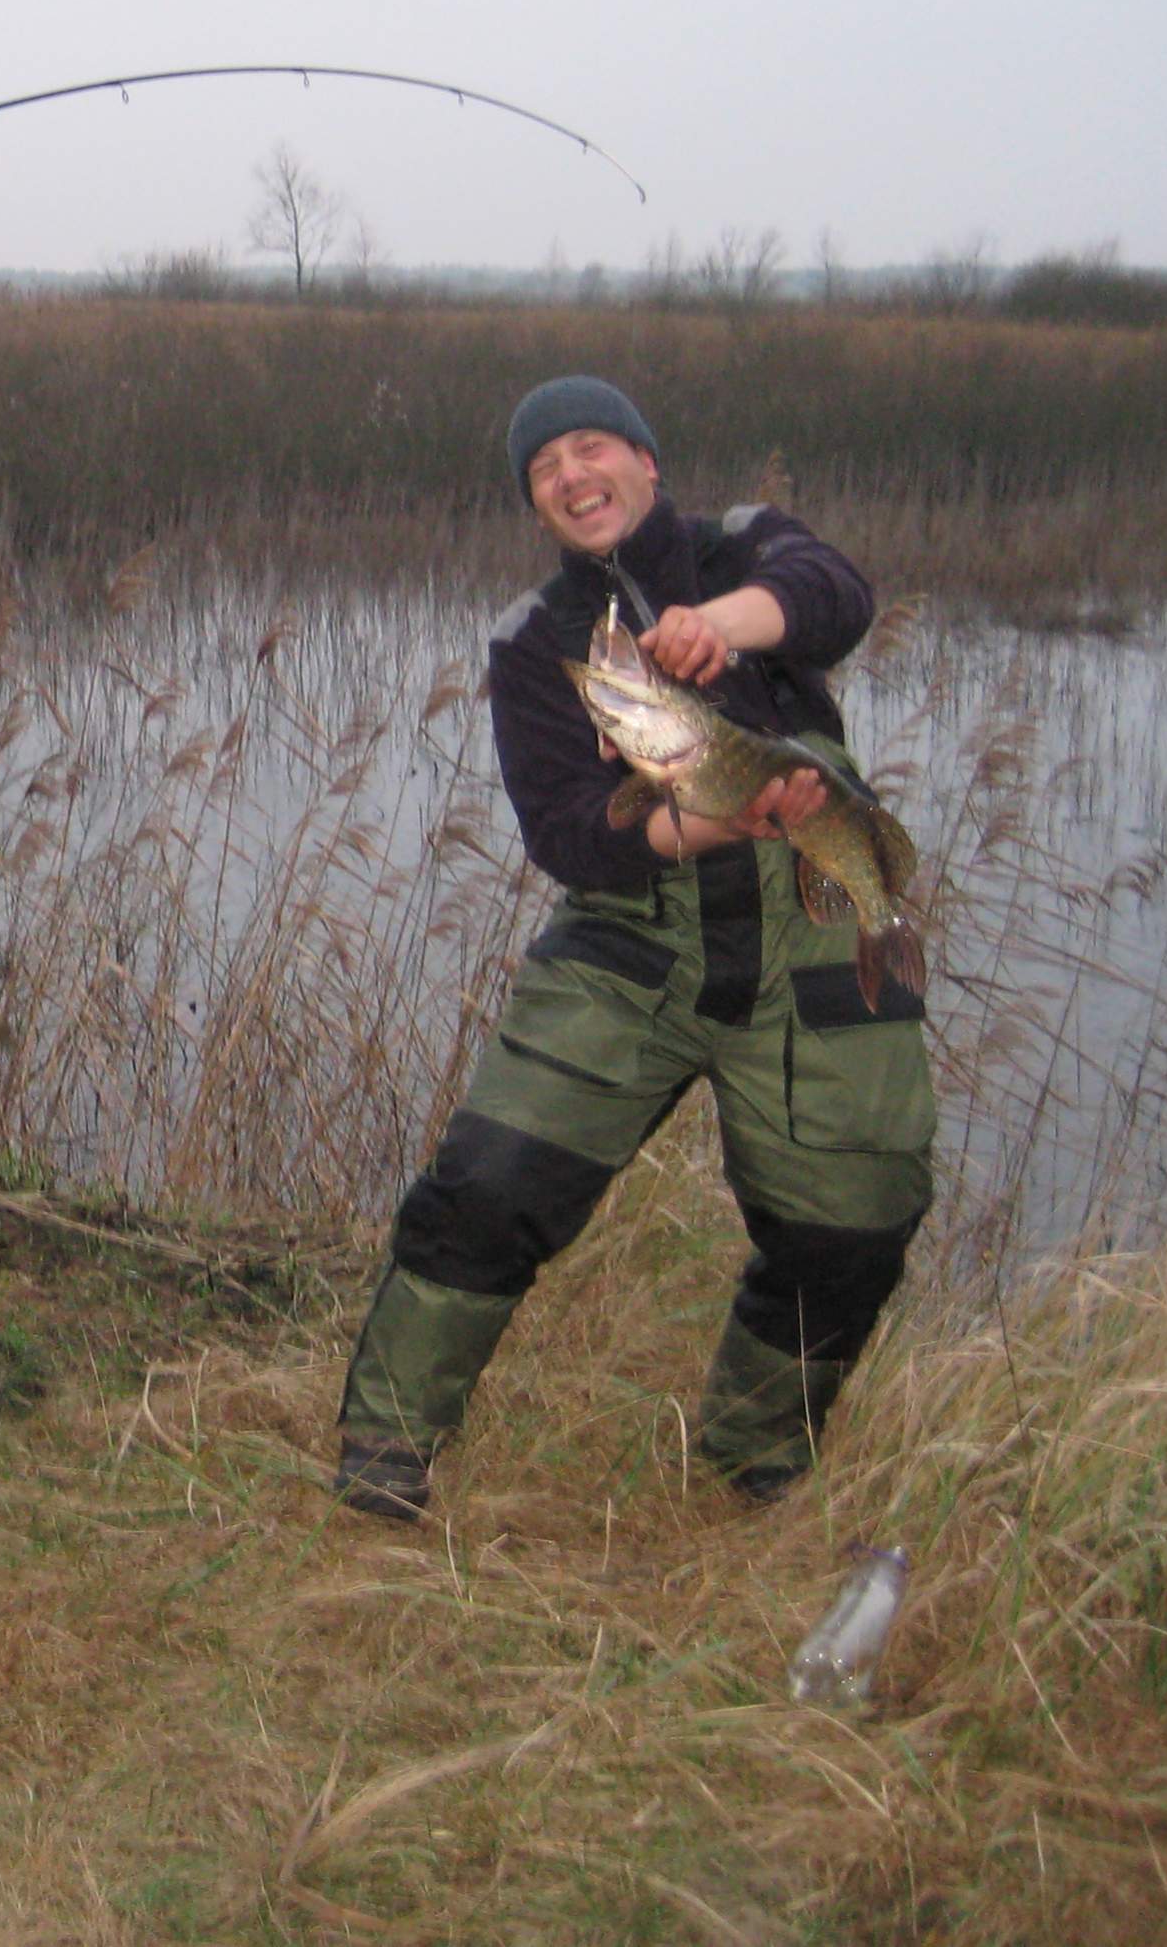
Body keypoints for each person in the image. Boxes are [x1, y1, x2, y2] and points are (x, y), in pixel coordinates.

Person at [331, 376, 934, 1520]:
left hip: (808, 930)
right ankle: (385, 1442)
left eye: (588, 445)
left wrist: (722, 626)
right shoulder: (532, 641)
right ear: (535, 503)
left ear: (644, 460)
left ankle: (756, 1450)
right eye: (542, 467)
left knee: (855, 1213)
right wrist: (711, 818)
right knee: (488, 1185)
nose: (570, 474)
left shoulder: (740, 546)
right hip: (632, 940)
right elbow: (570, 835)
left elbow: (836, 596)